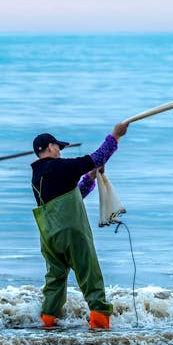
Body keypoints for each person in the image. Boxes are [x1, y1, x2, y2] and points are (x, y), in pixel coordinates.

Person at [31, 122, 128, 329]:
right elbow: (97, 158)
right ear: (50, 147)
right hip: (72, 233)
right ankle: (100, 324)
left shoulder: (37, 176)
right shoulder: (59, 166)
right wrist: (115, 135)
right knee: (89, 274)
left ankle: (47, 323)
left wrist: (91, 175)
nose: (60, 151)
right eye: (58, 147)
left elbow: (75, 194)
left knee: (55, 280)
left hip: (49, 238)